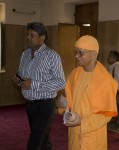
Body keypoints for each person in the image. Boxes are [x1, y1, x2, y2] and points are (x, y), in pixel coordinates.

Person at [58, 35, 118, 150]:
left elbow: (106, 115)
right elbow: (70, 102)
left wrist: (82, 122)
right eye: (75, 52)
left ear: (94, 54)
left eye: (81, 53)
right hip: (74, 132)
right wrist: (64, 105)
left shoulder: (105, 80)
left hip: (93, 135)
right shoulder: (75, 73)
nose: (77, 56)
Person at [12, 22, 65, 150]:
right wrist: (18, 80)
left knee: (36, 138)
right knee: (43, 138)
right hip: (30, 104)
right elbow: (22, 75)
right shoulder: (25, 54)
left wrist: (33, 84)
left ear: (42, 38)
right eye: (27, 34)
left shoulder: (52, 56)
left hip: (46, 104)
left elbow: (61, 82)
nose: (28, 38)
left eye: (32, 35)